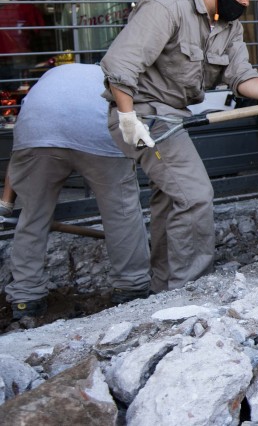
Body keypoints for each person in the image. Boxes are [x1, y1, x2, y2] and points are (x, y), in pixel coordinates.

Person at [100, 0, 258, 292]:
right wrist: (127, 118)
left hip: (172, 119)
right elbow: (120, 66)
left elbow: (242, 76)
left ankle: (162, 289)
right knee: (195, 194)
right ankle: (189, 289)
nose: (246, 2)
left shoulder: (228, 26)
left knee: (171, 200)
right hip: (143, 115)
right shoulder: (165, 8)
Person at [5, 63, 152, 320]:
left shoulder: (50, 80)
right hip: (96, 131)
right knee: (121, 209)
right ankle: (131, 286)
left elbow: (17, 151)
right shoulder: (118, 76)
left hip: (36, 132)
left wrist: (6, 203)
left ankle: (26, 298)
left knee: (33, 216)